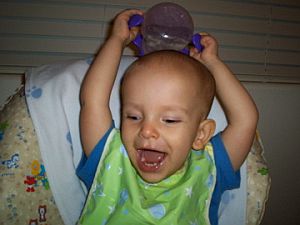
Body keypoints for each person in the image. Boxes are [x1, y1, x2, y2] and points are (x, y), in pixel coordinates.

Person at [76, 9, 258, 225]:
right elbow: (93, 101)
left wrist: (213, 63)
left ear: (201, 134)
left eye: (169, 120)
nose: (146, 130)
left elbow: (246, 121)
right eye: (133, 117)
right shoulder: (110, 156)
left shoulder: (210, 168)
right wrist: (117, 40)